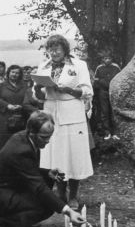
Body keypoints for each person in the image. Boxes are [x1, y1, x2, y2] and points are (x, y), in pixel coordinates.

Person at [0, 111, 85, 227]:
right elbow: (38, 187)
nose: (48, 141)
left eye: (49, 136)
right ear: (32, 132)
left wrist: (46, 173)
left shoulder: (24, 137)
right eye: (44, 137)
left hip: (7, 188)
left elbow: (25, 170)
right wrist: (68, 211)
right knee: (44, 206)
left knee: (46, 191)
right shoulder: (22, 150)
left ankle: (22, 221)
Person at [33, 34, 93, 210]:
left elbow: (87, 91)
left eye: (57, 49)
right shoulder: (43, 66)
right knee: (56, 155)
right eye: (50, 49)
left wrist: (68, 90)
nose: (53, 52)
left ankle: (73, 195)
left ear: (65, 49)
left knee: (73, 155)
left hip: (72, 113)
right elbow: (39, 96)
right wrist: (37, 89)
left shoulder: (79, 65)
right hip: (51, 113)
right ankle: (60, 194)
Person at [0, 64, 27, 155]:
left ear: (20, 75)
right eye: (12, 72)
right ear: (8, 73)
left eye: (17, 73)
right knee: (1, 142)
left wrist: (21, 106)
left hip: (19, 117)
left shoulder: (24, 85)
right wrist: (7, 105)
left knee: (18, 140)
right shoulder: (1, 85)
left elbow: (27, 99)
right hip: (3, 116)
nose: (14, 74)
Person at [93, 53, 121, 140]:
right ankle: (107, 133)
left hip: (113, 92)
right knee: (104, 112)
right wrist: (101, 83)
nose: (107, 60)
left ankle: (115, 133)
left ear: (111, 58)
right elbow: (95, 79)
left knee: (113, 112)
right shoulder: (99, 68)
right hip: (103, 92)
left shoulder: (116, 67)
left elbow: (121, 78)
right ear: (103, 59)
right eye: (105, 58)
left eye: (109, 58)